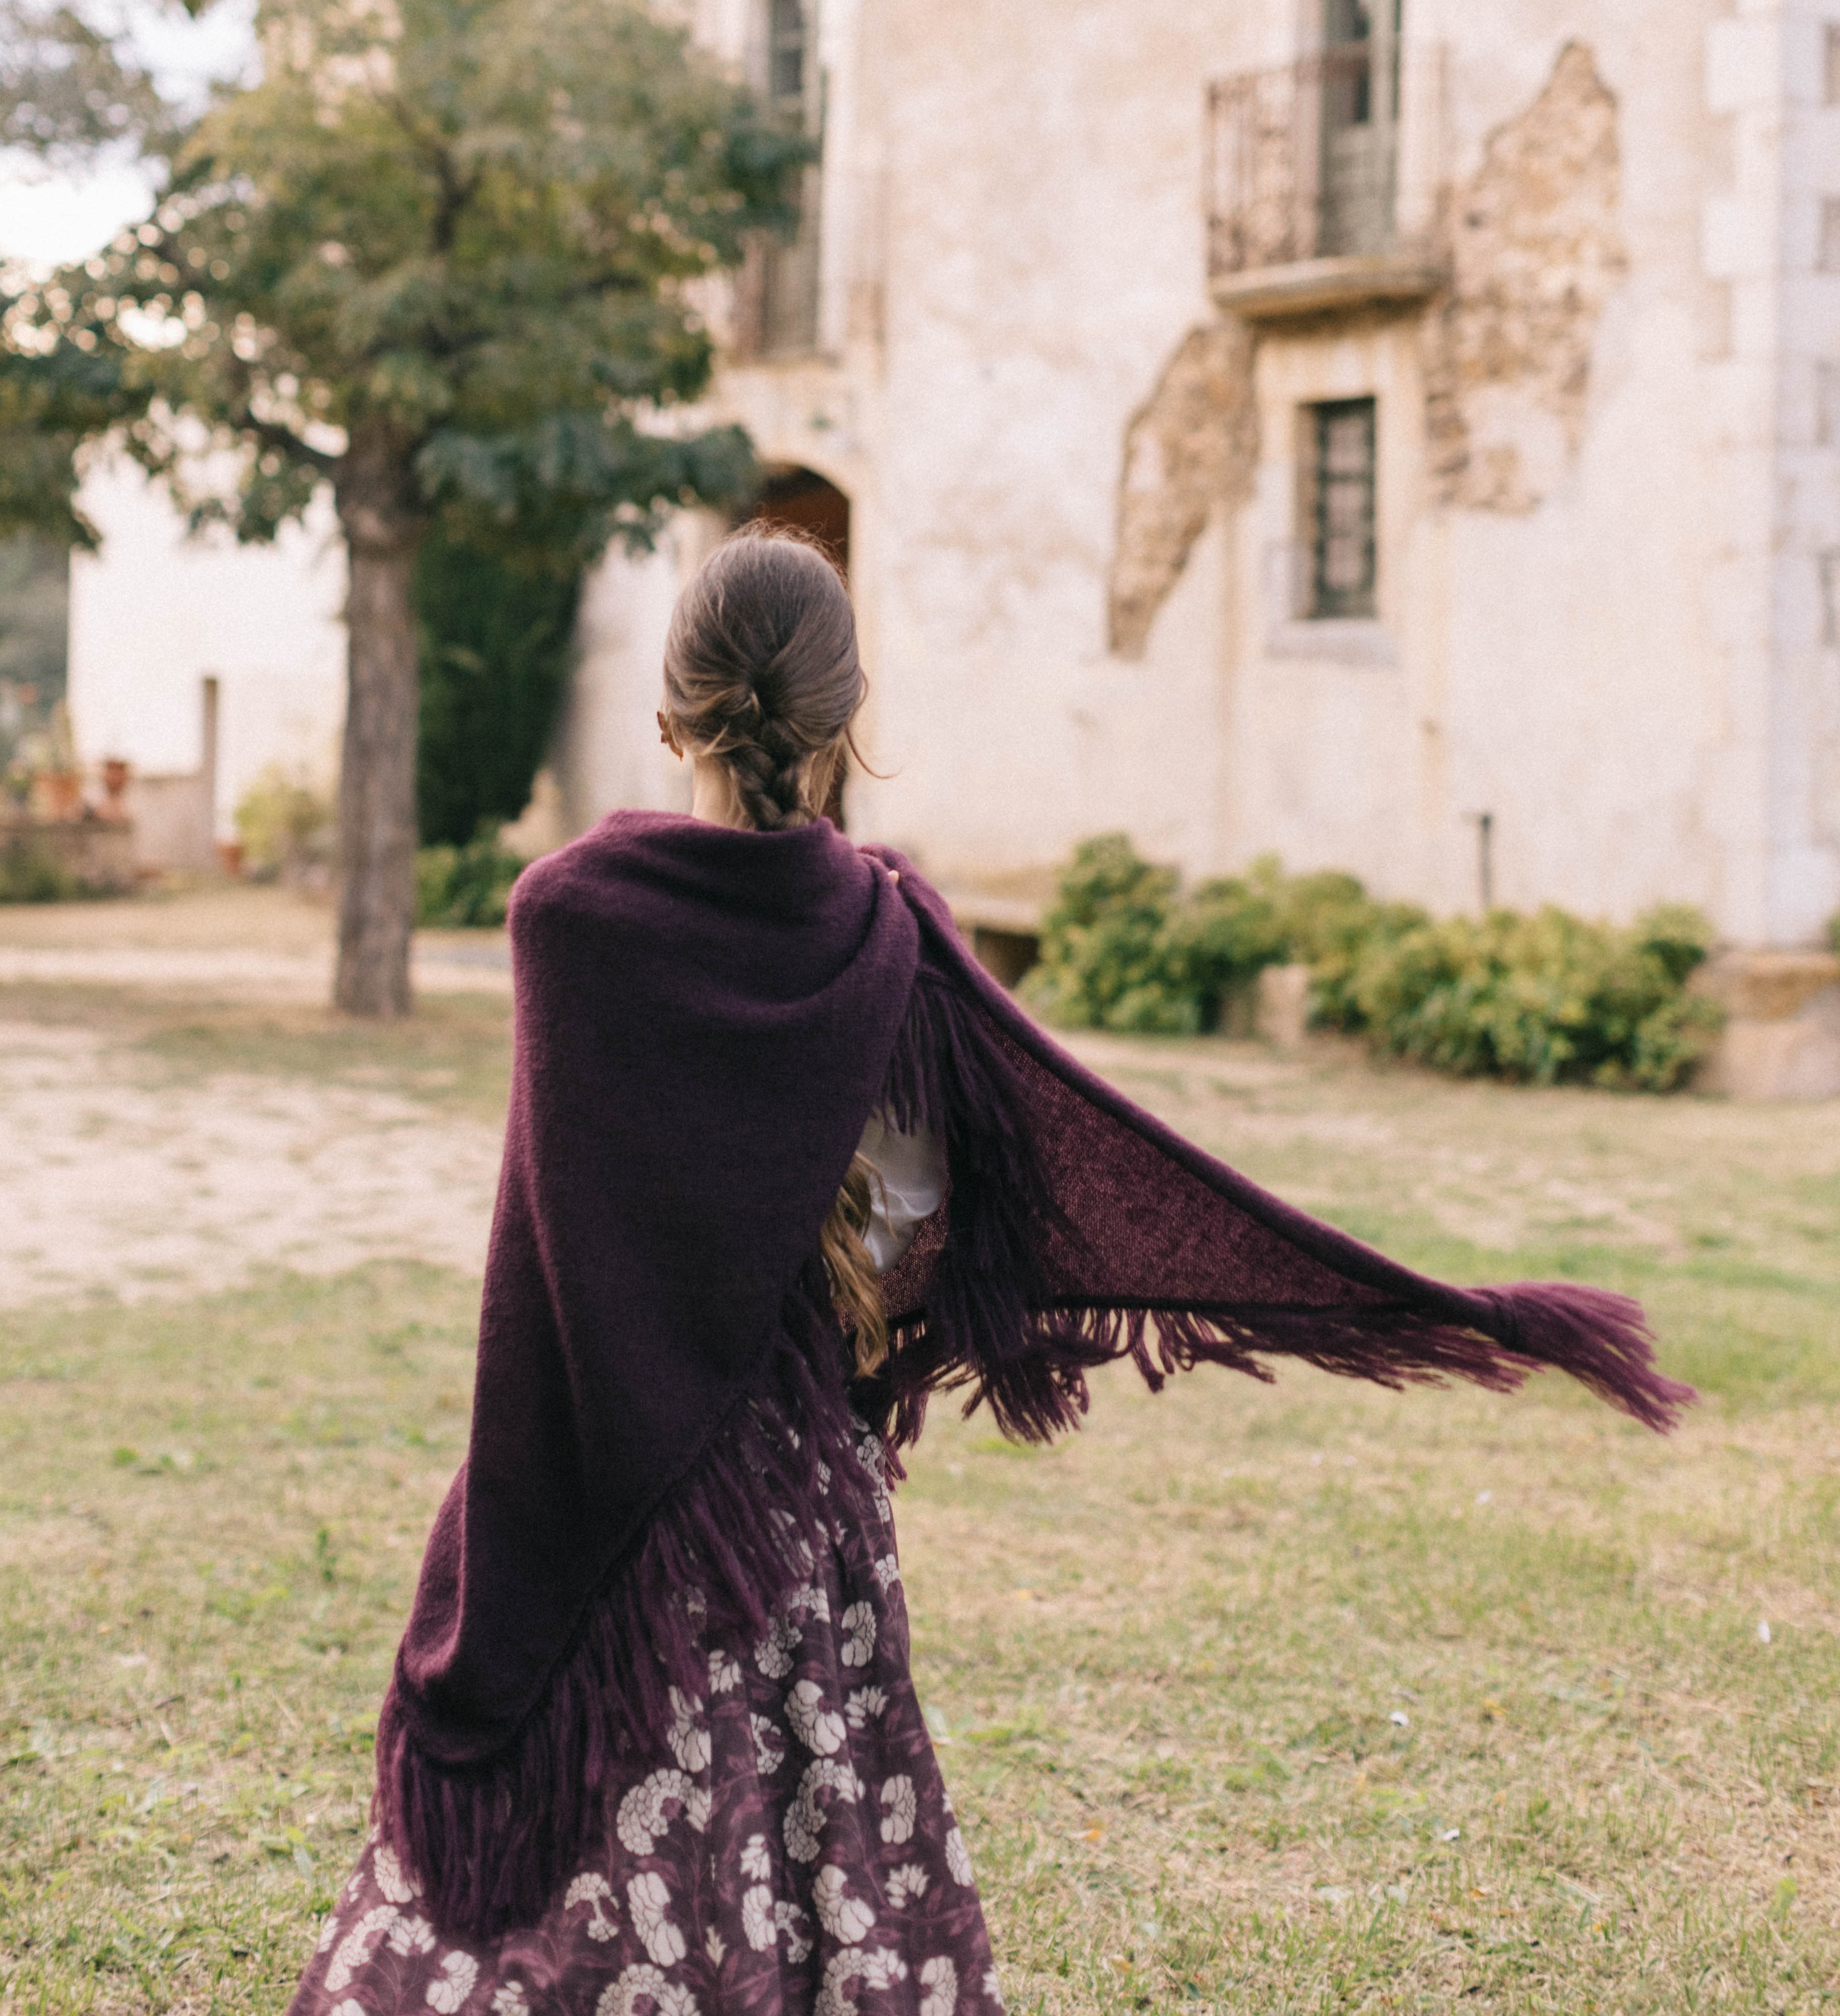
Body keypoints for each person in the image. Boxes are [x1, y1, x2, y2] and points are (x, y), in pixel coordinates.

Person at [291, 525, 1688, 2016]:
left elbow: (561, 1253)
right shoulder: (884, 936)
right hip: (792, 1510)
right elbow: (921, 1235)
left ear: (668, 711)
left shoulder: (569, 919)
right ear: (845, 723)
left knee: (592, 1835)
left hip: (603, 1516)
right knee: (799, 1829)